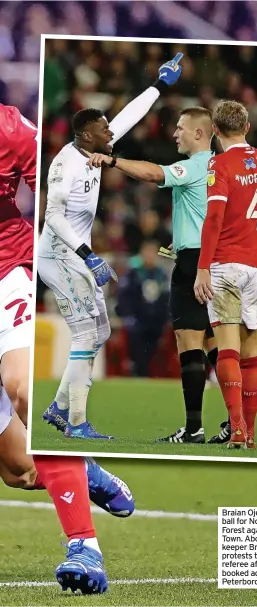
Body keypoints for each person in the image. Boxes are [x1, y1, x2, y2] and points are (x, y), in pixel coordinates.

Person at [0, 103, 134, 595]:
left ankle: (85, 548)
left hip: (5, 268)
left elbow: (58, 196)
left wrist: (76, 257)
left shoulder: (12, 128)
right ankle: (86, 472)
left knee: (20, 389)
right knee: (18, 471)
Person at [39, 53, 183, 440]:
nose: (111, 134)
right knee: (87, 333)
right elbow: (52, 217)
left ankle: (59, 406)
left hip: (79, 255)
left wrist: (159, 84)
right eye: (104, 131)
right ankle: (76, 425)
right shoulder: (63, 166)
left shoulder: (96, 149)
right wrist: (90, 256)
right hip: (58, 255)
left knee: (100, 332)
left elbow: (128, 116)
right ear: (87, 136)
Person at [84, 106, 219, 444]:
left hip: (194, 265)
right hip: (215, 258)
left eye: (181, 128)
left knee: (190, 342)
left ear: (199, 134)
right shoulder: (220, 167)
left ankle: (194, 429)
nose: (174, 134)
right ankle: (238, 421)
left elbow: (153, 174)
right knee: (217, 344)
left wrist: (112, 160)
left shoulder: (193, 166)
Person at [194, 100, 257, 449]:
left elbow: (214, 218)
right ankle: (251, 433)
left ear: (215, 131)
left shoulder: (220, 164)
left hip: (226, 266)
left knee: (227, 350)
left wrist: (203, 267)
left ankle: (235, 428)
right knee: (253, 352)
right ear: (247, 127)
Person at [116, 239, 169, 377]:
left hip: (156, 322)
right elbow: (124, 297)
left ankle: (150, 376)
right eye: (147, 252)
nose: (150, 255)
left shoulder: (161, 275)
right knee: (138, 352)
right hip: (137, 321)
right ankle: (138, 372)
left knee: (154, 353)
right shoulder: (133, 274)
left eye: (153, 252)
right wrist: (128, 316)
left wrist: (166, 319)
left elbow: (166, 299)